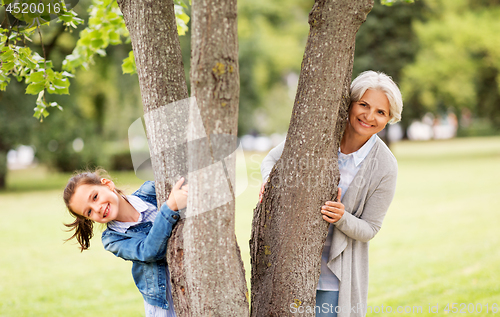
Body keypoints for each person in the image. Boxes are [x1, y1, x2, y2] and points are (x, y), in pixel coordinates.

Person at [260, 71, 403, 317]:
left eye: (381, 112)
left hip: (334, 280)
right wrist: (269, 181)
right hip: (289, 270)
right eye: (364, 105)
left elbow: (370, 228)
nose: (369, 116)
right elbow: (272, 158)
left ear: (390, 118)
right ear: (351, 103)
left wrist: (342, 218)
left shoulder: (385, 165)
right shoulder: (320, 136)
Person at [63, 169, 188, 317]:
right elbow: (149, 251)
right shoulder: (113, 239)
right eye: (89, 212)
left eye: (95, 197)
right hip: (165, 301)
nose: (97, 209)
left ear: (108, 184)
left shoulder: (150, 192)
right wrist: (169, 208)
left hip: (192, 277)